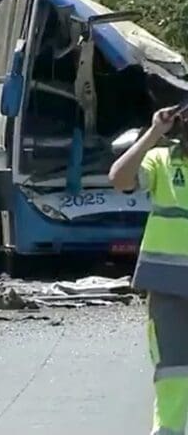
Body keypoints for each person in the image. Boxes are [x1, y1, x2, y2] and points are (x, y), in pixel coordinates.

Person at [109, 103, 188, 435]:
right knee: (173, 373)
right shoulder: (162, 159)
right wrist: (154, 133)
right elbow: (120, 179)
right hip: (169, 288)